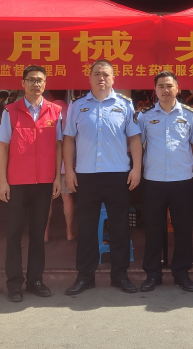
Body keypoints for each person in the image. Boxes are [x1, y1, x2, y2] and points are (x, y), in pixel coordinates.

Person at [63, 60, 142, 295]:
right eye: (97, 73)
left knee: (120, 227)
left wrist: (136, 168)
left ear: (113, 79)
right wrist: (69, 170)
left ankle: (120, 275)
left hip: (118, 175)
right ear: (89, 78)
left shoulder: (125, 105)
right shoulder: (77, 105)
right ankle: (85, 276)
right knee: (86, 227)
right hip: (86, 175)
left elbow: (135, 138)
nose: (101, 78)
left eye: (106, 74)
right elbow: (69, 139)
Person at [0, 66, 63, 302]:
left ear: (45, 84)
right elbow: (3, 147)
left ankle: (35, 280)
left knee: (38, 234)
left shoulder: (55, 112)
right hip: (16, 183)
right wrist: (3, 181)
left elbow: (58, 146)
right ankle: (14, 283)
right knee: (14, 234)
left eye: (40, 80)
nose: (36, 84)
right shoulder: (11, 111)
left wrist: (57, 177)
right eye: (31, 80)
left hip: (43, 182)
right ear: (23, 83)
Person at [137, 71, 193, 293]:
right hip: (153, 180)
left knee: (183, 228)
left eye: (169, 86)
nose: (165, 90)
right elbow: (138, 143)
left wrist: (183, 162)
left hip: (181, 179)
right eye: (161, 86)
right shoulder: (145, 116)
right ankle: (152, 274)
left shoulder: (189, 114)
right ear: (155, 90)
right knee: (152, 229)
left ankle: (181, 273)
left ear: (177, 89)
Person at [44, 90, 74, 243]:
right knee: (67, 197)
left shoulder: (46, 110)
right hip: (66, 164)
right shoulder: (71, 110)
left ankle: (45, 234)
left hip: (48, 162)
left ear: (50, 95)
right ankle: (69, 232)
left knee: (46, 199)